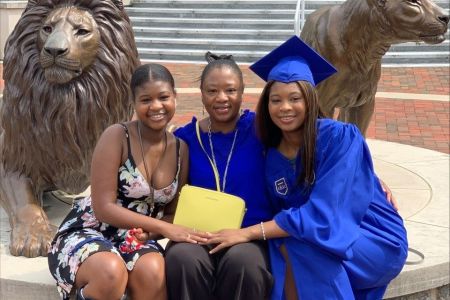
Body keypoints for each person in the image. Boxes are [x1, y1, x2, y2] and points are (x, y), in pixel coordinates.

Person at [200, 36, 408, 300]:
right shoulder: (270, 152)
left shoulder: (338, 136)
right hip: (320, 240)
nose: (285, 107)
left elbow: (322, 214)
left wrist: (247, 233)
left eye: (295, 98)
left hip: (370, 236)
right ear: (267, 105)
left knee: (296, 247)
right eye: (276, 100)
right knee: (283, 247)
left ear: (310, 100)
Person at [48, 63, 203, 300]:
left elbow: (172, 213)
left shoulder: (181, 150)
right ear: (134, 102)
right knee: (110, 271)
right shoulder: (117, 136)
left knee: (153, 271)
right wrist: (161, 228)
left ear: (175, 97)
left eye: (163, 97)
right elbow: (103, 207)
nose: (156, 106)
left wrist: (150, 234)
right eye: (146, 100)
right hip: (90, 230)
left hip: (135, 237)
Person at [164, 52, 274, 300]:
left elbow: (307, 151)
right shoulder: (186, 138)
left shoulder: (262, 130)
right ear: (201, 94)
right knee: (182, 259)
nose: (221, 98)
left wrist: (372, 181)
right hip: (196, 234)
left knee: (245, 264)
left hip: (248, 234)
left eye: (230, 90)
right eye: (212, 91)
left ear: (242, 92)